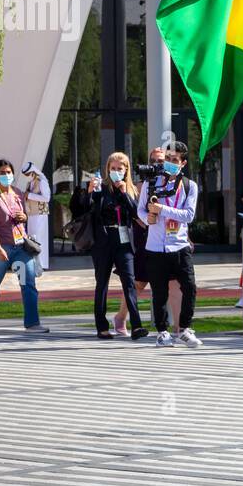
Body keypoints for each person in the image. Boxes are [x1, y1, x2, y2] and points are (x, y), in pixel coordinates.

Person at [72, 153, 150, 341]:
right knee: (102, 283)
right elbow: (84, 209)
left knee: (129, 283)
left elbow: (136, 214)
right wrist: (90, 191)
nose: (116, 172)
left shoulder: (130, 189)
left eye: (119, 169)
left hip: (123, 240)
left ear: (126, 171)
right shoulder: (101, 188)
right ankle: (102, 327)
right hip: (103, 240)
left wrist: (124, 192)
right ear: (108, 169)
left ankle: (137, 325)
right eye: (113, 168)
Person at [139, 141, 202, 348]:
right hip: (155, 246)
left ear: (182, 163)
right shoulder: (151, 183)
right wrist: (147, 217)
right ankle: (162, 332)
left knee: (190, 287)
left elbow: (189, 215)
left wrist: (161, 210)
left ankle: (184, 329)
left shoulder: (189, 186)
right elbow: (141, 209)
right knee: (159, 292)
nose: (169, 163)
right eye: (167, 159)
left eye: (174, 160)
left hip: (179, 245)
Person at [0, 159, 48, 334]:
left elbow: (23, 218)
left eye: (8, 172)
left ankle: (32, 323)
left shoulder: (18, 193)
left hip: (21, 248)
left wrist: (24, 216)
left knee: (28, 283)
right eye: (2, 172)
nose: (6, 175)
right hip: (0, 247)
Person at [115, 146, 178, 336]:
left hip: (169, 239)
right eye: (155, 161)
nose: (158, 165)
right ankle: (120, 317)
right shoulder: (139, 187)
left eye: (161, 161)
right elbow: (135, 213)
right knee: (139, 283)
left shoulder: (174, 184)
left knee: (173, 282)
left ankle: (178, 325)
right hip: (145, 241)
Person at [21, 162, 52, 271]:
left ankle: (42, 264)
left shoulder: (42, 181)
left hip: (40, 215)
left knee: (40, 239)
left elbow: (46, 198)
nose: (27, 176)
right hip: (31, 214)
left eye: (28, 173)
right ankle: (33, 264)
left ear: (33, 171)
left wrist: (29, 195)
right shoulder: (30, 183)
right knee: (32, 239)